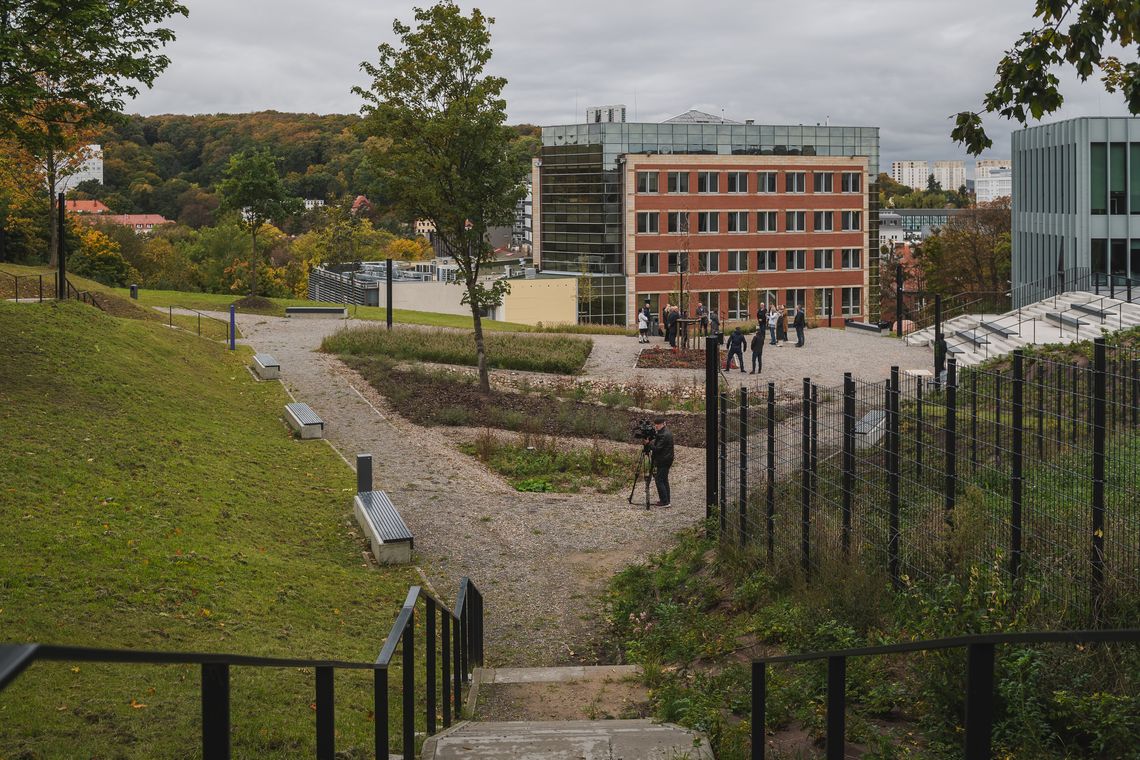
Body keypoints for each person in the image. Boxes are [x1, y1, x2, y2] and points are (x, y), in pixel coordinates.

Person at [649, 415, 674, 508]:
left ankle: (665, 502)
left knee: (659, 480)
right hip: (666, 459)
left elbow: (657, 449)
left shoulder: (664, 434)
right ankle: (666, 500)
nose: (656, 427)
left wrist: (649, 444)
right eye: (655, 425)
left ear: (663, 424)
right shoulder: (664, 432)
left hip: (663, 460)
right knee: (664, 480)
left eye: (658, 425)